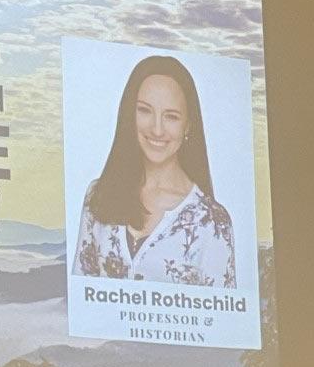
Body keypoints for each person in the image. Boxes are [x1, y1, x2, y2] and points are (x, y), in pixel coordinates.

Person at [72, 54, 235, 288]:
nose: (157, 129)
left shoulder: (212, 222)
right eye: (145, 110)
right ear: (130, 114)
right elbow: (80, 294)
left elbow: (222, 320)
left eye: (171, 116)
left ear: (188, 124)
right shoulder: (99, 194)